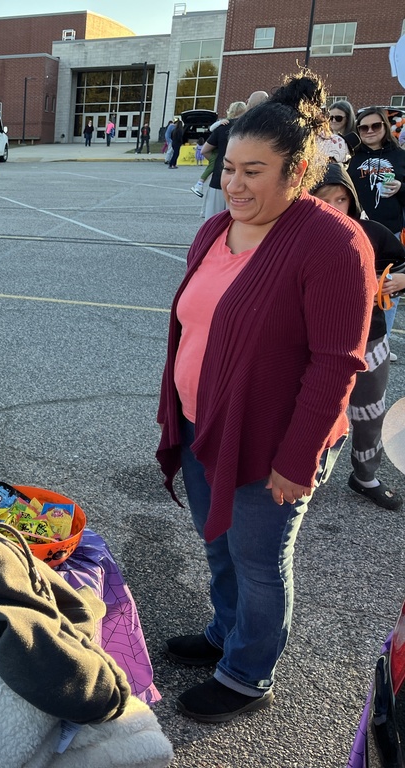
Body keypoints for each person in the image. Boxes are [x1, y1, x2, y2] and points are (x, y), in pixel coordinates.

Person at [156, 71, 375, 724]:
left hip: (276, 440)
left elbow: (337, 364)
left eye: (255, 171)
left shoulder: (333, 244)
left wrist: (296, 459)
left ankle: (249, 673)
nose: (236, 184)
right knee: (216, 541)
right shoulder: (216, 231)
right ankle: (226, 633)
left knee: (257, 560)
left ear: (298, 170)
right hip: (207, 424)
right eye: (229, 168)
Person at [312, 162, 405, 510]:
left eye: (341, 199)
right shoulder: (297, 238)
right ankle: (309, 470)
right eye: (324, 200)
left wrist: (400, 280)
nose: (335, 207)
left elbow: (400, 263)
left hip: (370, 339)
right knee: (316, 409)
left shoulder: (372, 232)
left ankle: (365, 474)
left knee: (368, 412)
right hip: (318, 344)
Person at [348, 107, 405, 340]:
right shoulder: (352, 157)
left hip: (390, 231)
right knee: (357, 287)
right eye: (364, 127)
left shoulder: (400, 156)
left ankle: (384, 339)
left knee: (388, 288)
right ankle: (358, 336)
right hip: (357, 230)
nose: (370, 131)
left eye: (376, 126)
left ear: (384, 126)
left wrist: (402, 187)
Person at [199, 101, 248, 216]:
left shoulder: (222, 126)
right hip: (241, 179)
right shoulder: (248, 126)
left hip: (219, 177)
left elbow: (204, 150)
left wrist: (215, 161)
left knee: (213, 219)